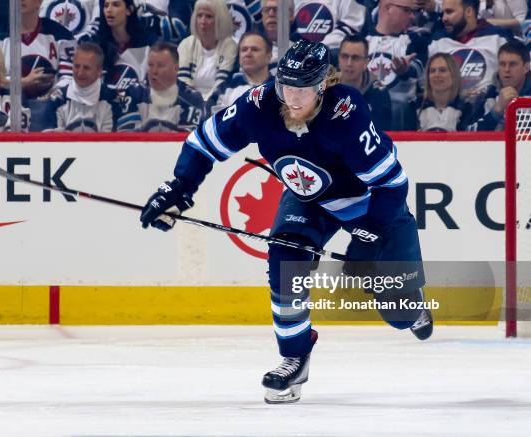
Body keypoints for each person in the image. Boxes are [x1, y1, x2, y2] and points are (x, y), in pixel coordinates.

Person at [139, 40, 433, 404]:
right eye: (286, 87)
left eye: (303, 90)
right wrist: (179, 187)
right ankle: (295, 355)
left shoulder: (346, 114)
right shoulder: (258, 105)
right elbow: (204, 142)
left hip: (369, 204)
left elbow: (392, 184)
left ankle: (413, 307)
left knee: (398, 314)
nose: (293, 99)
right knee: (283, 260)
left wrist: (366, 239)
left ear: (323, 84)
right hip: (309, 198)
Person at [0, 0, 77, 99]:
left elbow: (69, 76)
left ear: (39, 1)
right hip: (7, 106)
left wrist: (52, 98)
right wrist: (23, 82)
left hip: (51, 108)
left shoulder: (61, 35)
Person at [428, 0, 513, 103]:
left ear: (468, 12)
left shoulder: (499, 37)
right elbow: (426, 85)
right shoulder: (437, 41)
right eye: (443, 13)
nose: (444, 18)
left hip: (489, 109)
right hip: (446, 110)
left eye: (449, 12)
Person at [367, 0, 430, 130]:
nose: (412, 16)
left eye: (413, 11)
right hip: (365, 106)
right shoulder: (361, 40)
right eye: (407, 10)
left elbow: (417, 69)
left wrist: (406, 71)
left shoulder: (416, 41)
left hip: (399, 113)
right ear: (388, 8)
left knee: (397, 105)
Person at [118, 41, 205, 132]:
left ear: (176, 68)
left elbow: (188, 140)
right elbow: (126, 137)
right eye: (150, 65)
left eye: (160, 66)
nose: (154, 71)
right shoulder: (134, 93)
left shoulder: (191, 98)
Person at [44, 41, 121, 132]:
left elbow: (112, 142)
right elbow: (50, 141)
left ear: (99, 71)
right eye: (76, 66)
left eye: (86, 68)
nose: (80, 73)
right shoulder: (58, 99)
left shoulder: (112, 99)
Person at [177, 0, 238, 100]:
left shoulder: (230, 46)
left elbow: (222, 85)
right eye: (199, 15)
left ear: (220, 20)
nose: (203, 21)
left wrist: (206, 100)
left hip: (220, 102)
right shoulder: (186, 44)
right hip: (189, 103)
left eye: (209, 16)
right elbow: (183, 83)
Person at [468, 39, 531, 130]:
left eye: (512, 64)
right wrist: (496, 112)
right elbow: (470, 134)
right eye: (502, 64)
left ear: (526, 68)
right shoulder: (487, 94)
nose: (506, 69)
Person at [338, 34, 392, 131]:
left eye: (355, 58)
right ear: (339, 59)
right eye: (345, 56)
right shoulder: (325, 88)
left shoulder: (379, 92)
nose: (349, 63)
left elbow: (382, 135)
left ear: (366, 63)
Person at [210, 31, 273, 113]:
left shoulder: (281, 89)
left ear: (268, 56)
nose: (248, 54)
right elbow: (216, 123)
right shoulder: (224, 88)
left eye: (255, 49)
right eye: (244, 50)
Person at [417, 52, 473, 131]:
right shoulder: (415, 106)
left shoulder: (466, 108)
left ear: (454, 75)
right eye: (432, 71)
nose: (436, 74)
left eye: (442, 70)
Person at [292, 1, 367, 51]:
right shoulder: (295, 2)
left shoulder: (348, 2)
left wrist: (317, 50)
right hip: (299, 54)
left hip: (332, 54)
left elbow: (352, 26)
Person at [256, 0, 297, 74]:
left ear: (291, 15)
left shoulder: (302, 52)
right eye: (267, 10)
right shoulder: (250, 50)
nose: (271, 14)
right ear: (262, 17)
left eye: (277, 9)